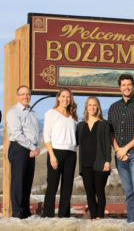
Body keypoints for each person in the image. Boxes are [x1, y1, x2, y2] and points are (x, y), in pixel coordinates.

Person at [108, 74, 134, 225]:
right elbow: (110, 132)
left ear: (133, 86)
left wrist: (125, 148)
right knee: (129, 191)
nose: (126, 87)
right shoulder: (113, 108)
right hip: (120, 155)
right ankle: (131, 223)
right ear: (119, 87)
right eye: (124, 85)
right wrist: (119, 150)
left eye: (129, 84)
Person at [42, 87, 78, 218]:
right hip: (56, 152)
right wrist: (51, 155)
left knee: (67, 187)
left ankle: (64, 216)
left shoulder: (73, 116)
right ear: (58, 98)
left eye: (68, 97)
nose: (65, 99)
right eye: (63, 96)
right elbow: (46, 136)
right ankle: (48, 215)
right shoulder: (51, 113)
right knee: (52, 185)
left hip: (71, 153)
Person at [7, 85, 41, 219]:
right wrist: (32, 147)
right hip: (19, 149)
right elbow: (17, 134)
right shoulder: (13, 112)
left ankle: (25, 212)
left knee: (27, 181)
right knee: (18, 182)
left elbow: (37, 132)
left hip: (31, 150)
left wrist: (36, 148)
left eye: (27, 94)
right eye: (22, 94)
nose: (25, 97)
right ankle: (17, 213)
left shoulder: (33, 113)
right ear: (18, 96)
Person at [76, 97, 111, 221]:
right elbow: (73, 142)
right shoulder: (80, 126)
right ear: (86, 107)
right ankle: (93, 218)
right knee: (89, 193)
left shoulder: (104, 124)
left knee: (99, 192)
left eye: (94, 105)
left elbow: (107, 143)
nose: (92, 107)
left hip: (100, 163)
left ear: (98, 107)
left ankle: (100, 217)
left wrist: (108, 161)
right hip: (85, 164)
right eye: (89, 105)